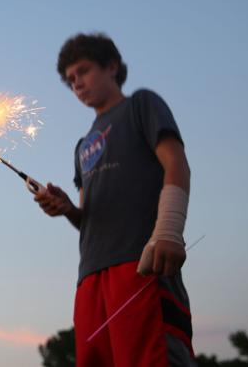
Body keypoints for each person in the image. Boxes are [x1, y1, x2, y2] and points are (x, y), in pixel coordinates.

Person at [33, 33, 195, 366]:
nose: (77, 83)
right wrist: (67, 210)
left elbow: (175, 162)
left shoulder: (141, 105)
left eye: (83, 70)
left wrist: (168, 230)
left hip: (141, 263)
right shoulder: (82, 146)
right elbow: (87, 217)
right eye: (70, 79)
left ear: (111, 67)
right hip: (90, 278)